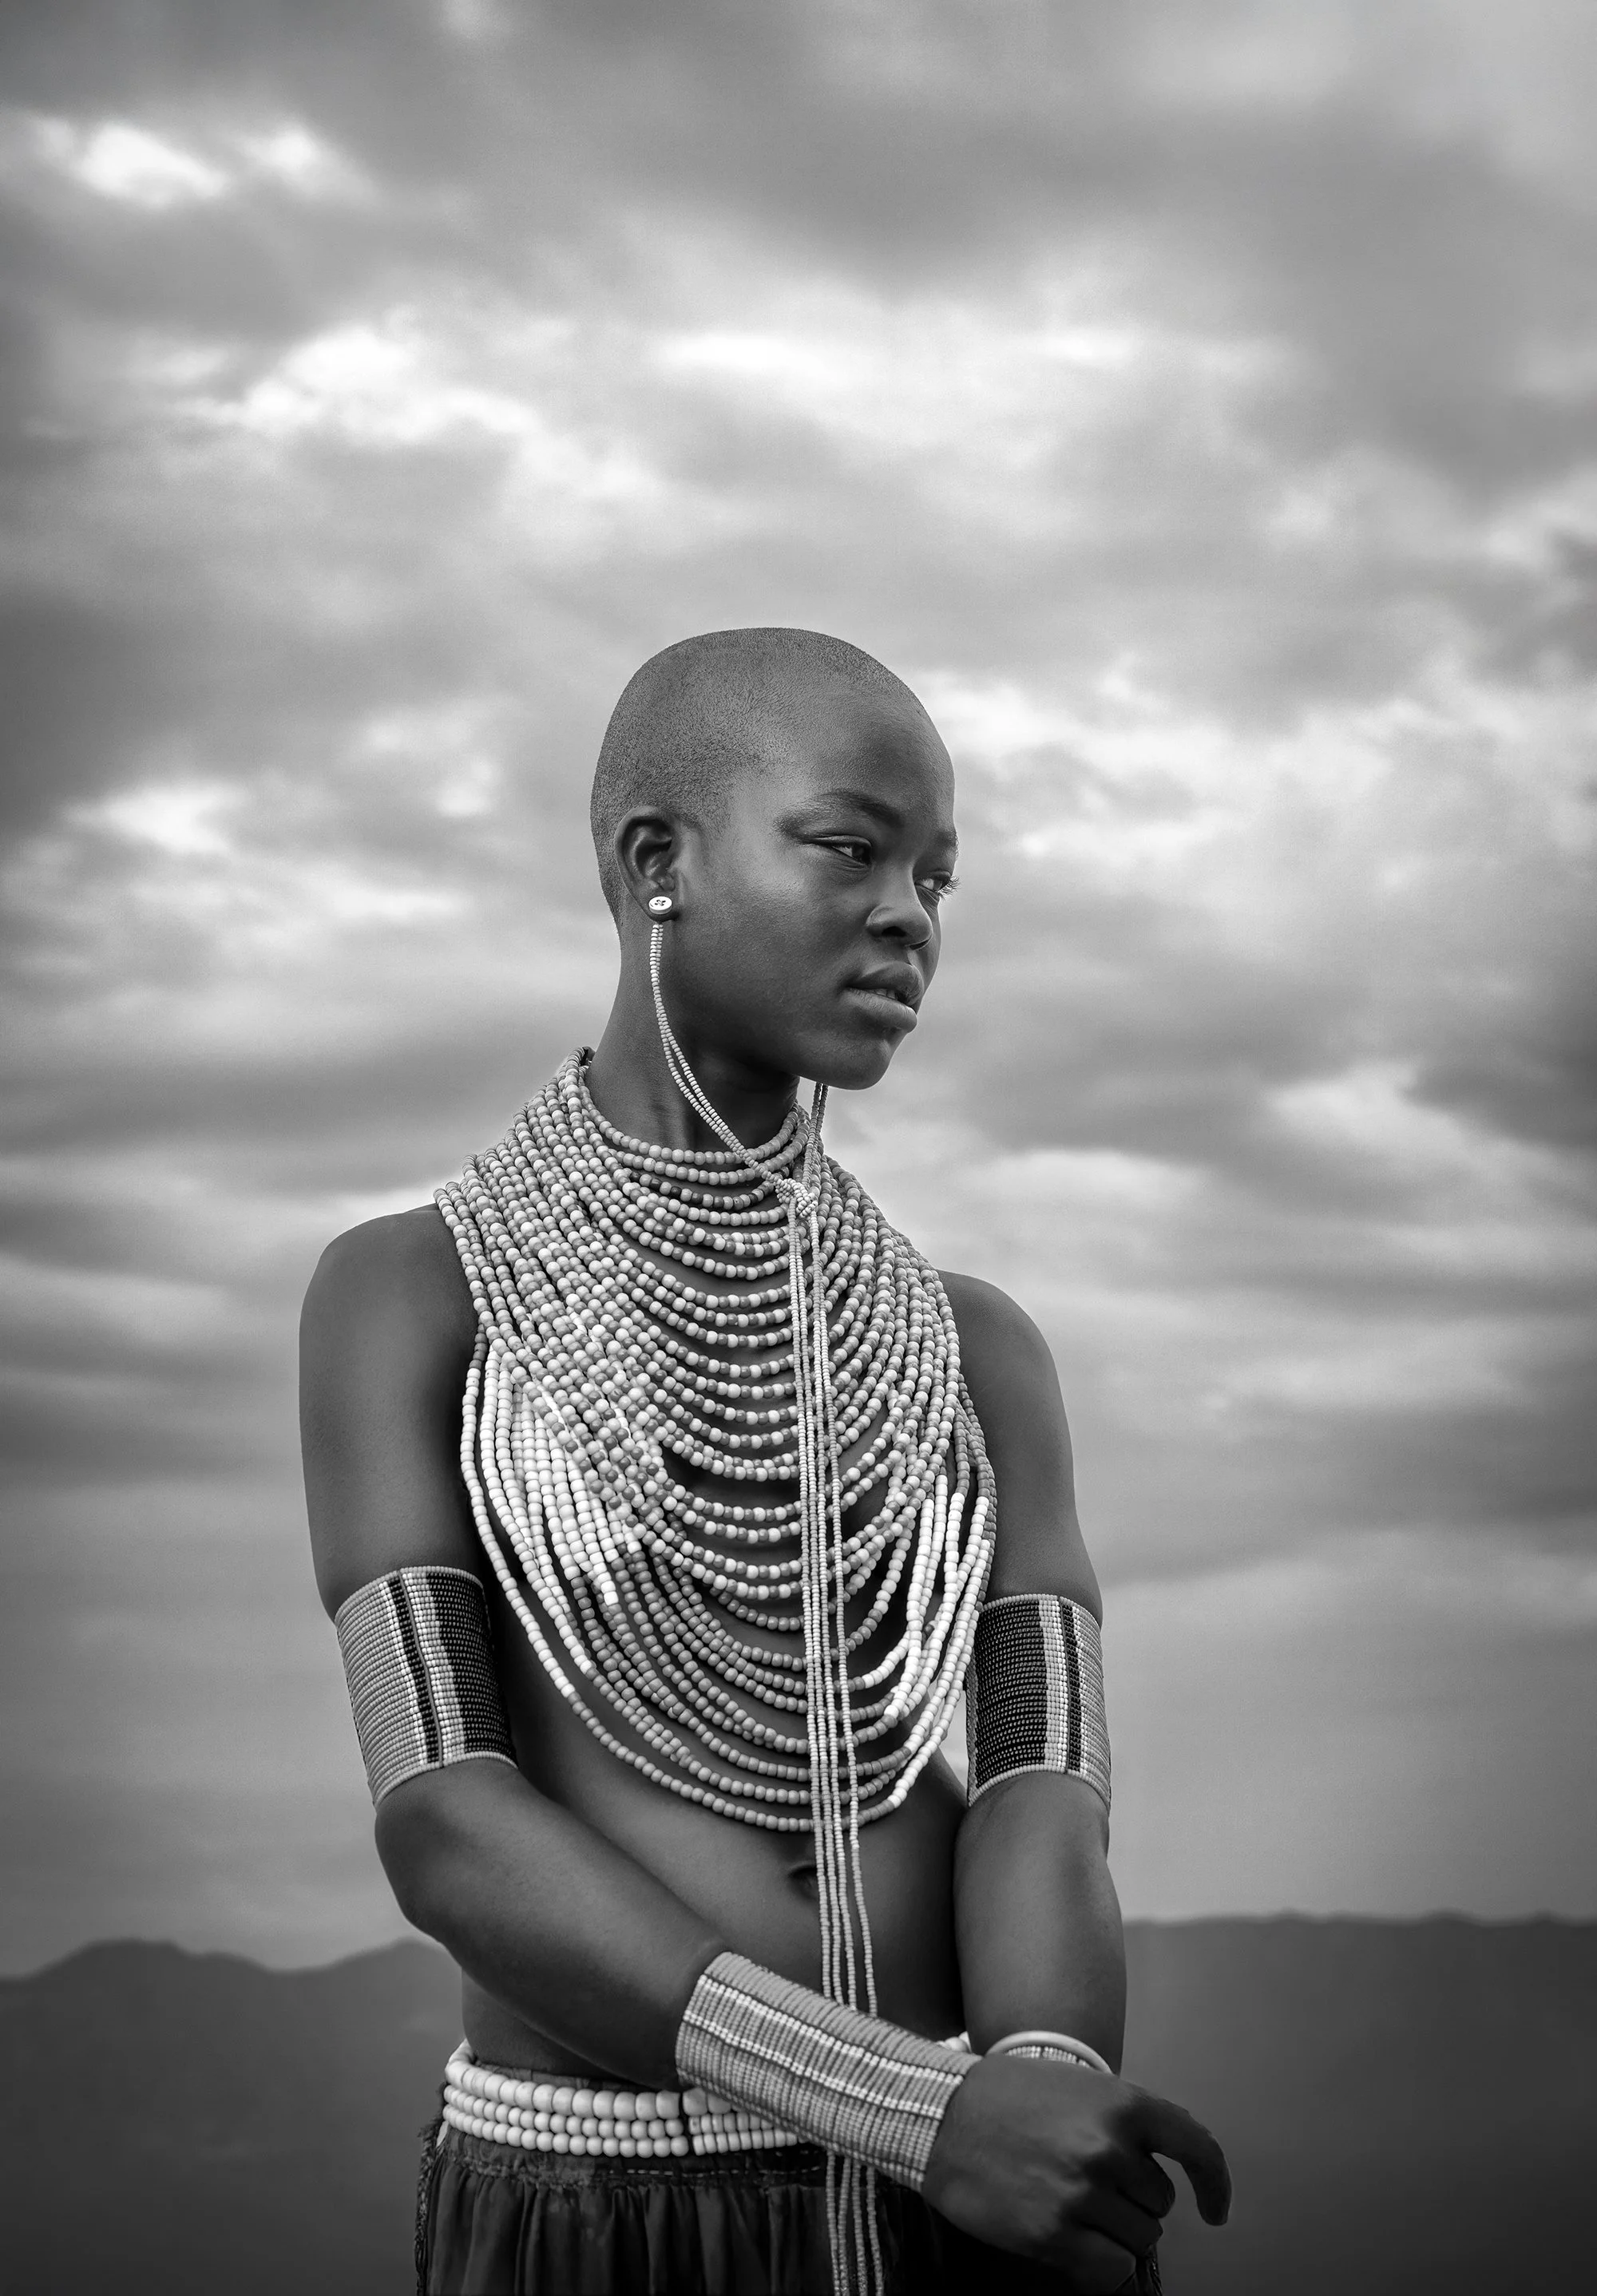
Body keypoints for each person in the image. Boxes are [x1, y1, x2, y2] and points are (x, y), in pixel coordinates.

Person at [300, 627, 1230, 2295]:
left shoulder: (974, 1348)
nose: (910, 915)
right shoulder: (413, 1294)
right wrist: (904, 2106)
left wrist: (1042, 2095)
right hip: (608, 2224)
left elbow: (1039, 1789)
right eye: (852, 845)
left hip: (976, 2202)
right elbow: (444, 1817)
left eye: (937, 877)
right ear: (656, 861)